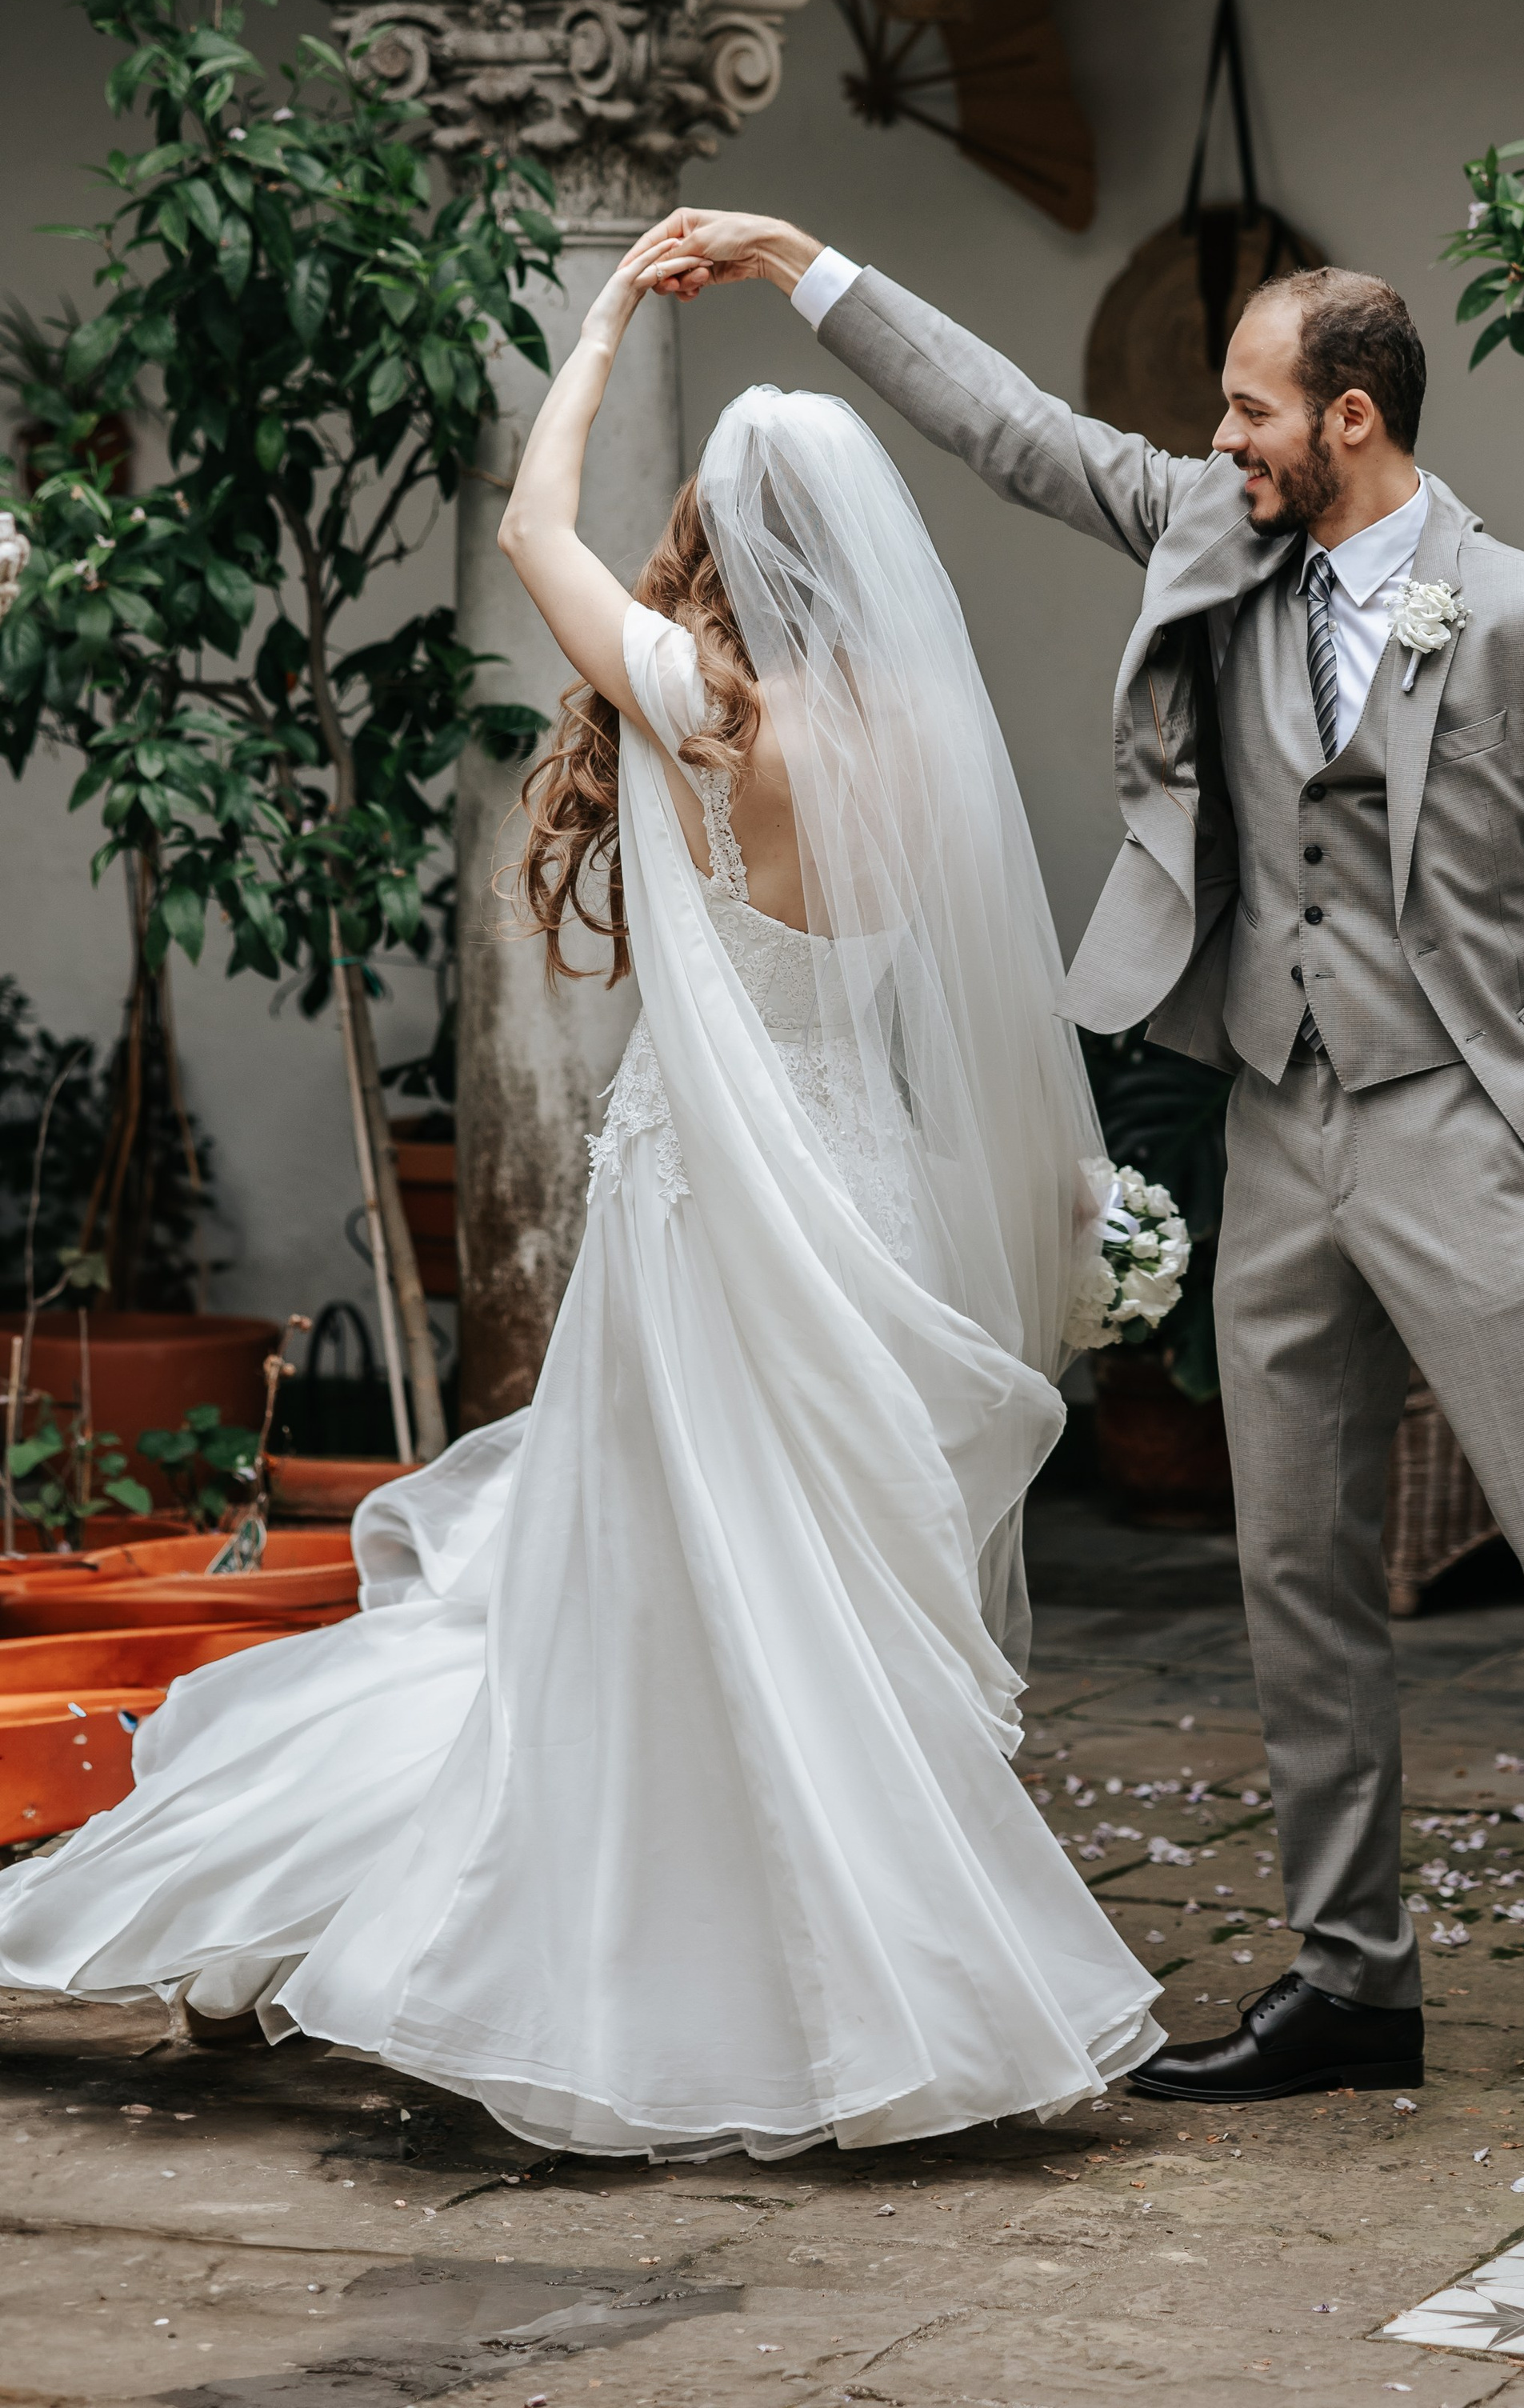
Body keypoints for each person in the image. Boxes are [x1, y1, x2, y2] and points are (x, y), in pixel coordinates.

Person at [646, 210, 1524, 2179]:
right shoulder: (1209, 538)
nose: (1220, 440)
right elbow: (1011, 429)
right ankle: (1353, 1983)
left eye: (1249, 412)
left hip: (1463, 1131)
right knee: (1287, 1565)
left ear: (1345, 420)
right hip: (1278, 1128)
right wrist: (807, 269)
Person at [0, 223, 1162, 2160]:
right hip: (854, 1193)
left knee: (662, 1586)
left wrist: (609, 319)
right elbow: (969, 1021)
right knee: (824, 1596)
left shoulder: (707, 712)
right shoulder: (924, 748)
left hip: (707, 1204)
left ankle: (630, 1957)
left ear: (721, 535)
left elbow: (539, 521)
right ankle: (864, 1988)